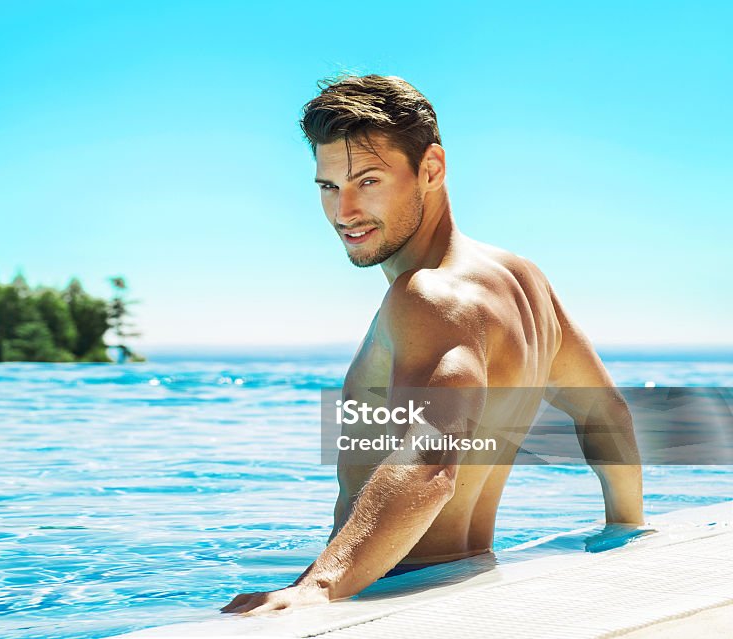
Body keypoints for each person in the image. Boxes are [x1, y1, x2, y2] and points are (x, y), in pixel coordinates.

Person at [221, 75, 644, 616]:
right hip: (465, 579)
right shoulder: (522, 280)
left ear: (431, 170)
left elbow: (428, 459)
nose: (343, 210)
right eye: (327, 186)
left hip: (389, 591)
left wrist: (319, 588)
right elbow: (606, 412)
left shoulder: (425, 295)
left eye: (367, 181)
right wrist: (624, 529)